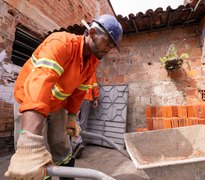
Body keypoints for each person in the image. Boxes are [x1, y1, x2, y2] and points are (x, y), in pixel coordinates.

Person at [5, 14, 123, 180]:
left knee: (62, 146)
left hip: (57, 104)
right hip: (31, 99)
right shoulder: (61, 43)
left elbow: (80, 89)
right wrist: (29, 142)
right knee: (36, 156)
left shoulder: (93, 60)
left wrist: (72, 117)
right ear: (93, 33)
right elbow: (40, 83)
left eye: (112, 47)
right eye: (108, 43)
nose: (108, 49)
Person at [71, 73, 99, 159]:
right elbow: (94, 85)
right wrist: (96, 98)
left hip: (76, 98)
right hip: (87, 97)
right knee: (83, 122)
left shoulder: (77, 69)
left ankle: (77, 143)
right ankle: (79, 143)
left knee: (74, 120)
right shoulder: (91, 71)